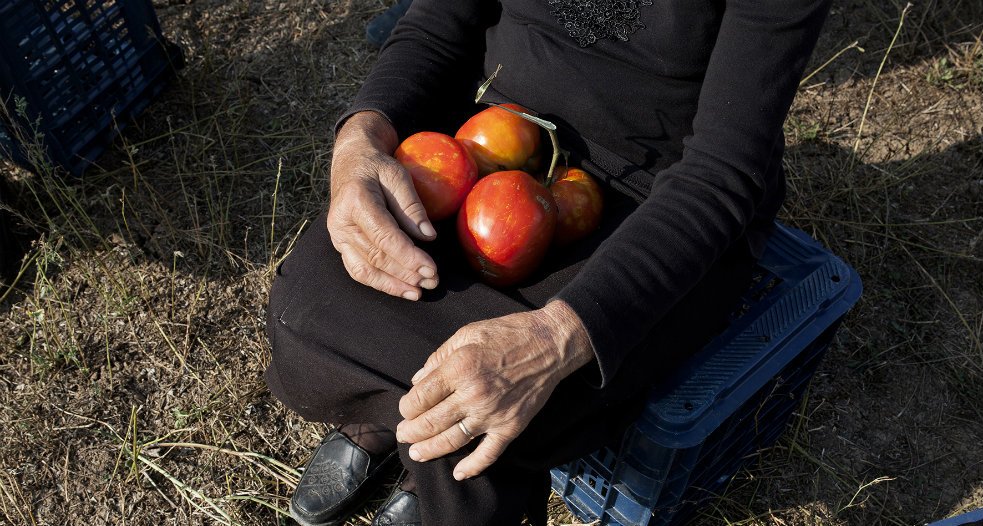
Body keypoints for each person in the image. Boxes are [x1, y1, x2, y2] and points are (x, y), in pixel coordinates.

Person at [265, 0, 832, 525]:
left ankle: (418, 461)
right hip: (495, 138)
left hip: (654, 205)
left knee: (492, 420)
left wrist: (559, 336)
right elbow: (438, 24)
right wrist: (360, 138)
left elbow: (721, 174)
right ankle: (396, 433)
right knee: (306, 302)